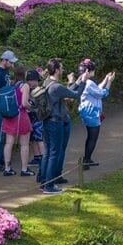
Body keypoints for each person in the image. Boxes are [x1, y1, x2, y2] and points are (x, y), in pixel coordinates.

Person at [38, 58, 88, 194]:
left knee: (47, 153)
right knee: (54, 153)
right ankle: (49, 186)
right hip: (55, 122)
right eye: (61, 67)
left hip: (47, 120)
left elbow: (65, 92)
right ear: (57, 70)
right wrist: (83, 81)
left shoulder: (47, 83)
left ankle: (44, 182)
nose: (63, 69)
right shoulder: (56, 86)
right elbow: (76, 95)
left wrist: (75, 82)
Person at [77, 59, 116, 170]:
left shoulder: (84, 81)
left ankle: (87, 158)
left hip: (87, 112)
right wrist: (109, 82)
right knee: (93, 138)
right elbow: (101, 94)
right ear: (88, 70)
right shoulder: (89, 83)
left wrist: (105, 79)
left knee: (90, 137)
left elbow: (96, 89)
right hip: (92, 113)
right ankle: (86, 161)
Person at [1, 66, 35, 177]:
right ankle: (24, 169)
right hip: (21, 116)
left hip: (9, 116)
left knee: (8, 143)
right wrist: (32, 107)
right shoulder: (24, 86)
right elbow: (24, 103)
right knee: (24, 144)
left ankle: (7, 168)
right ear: (24, 75)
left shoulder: (11, 84)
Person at [0, 50, 18, 170]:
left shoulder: (6, 71)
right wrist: (6, 90)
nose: (12, 64)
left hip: (6, 108)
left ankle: (0, 158)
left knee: (4, 134)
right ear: (4, 60)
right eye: (10, 62)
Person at [26, 69, 45, 166]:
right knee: (33, 138)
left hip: (38, 117)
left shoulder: (40, 91)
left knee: (39, 138)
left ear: (35, 80)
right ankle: (37, 157)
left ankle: (43, 158)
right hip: (31, 117)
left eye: (31, 80)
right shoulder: (28, 90)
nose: (29, 82)